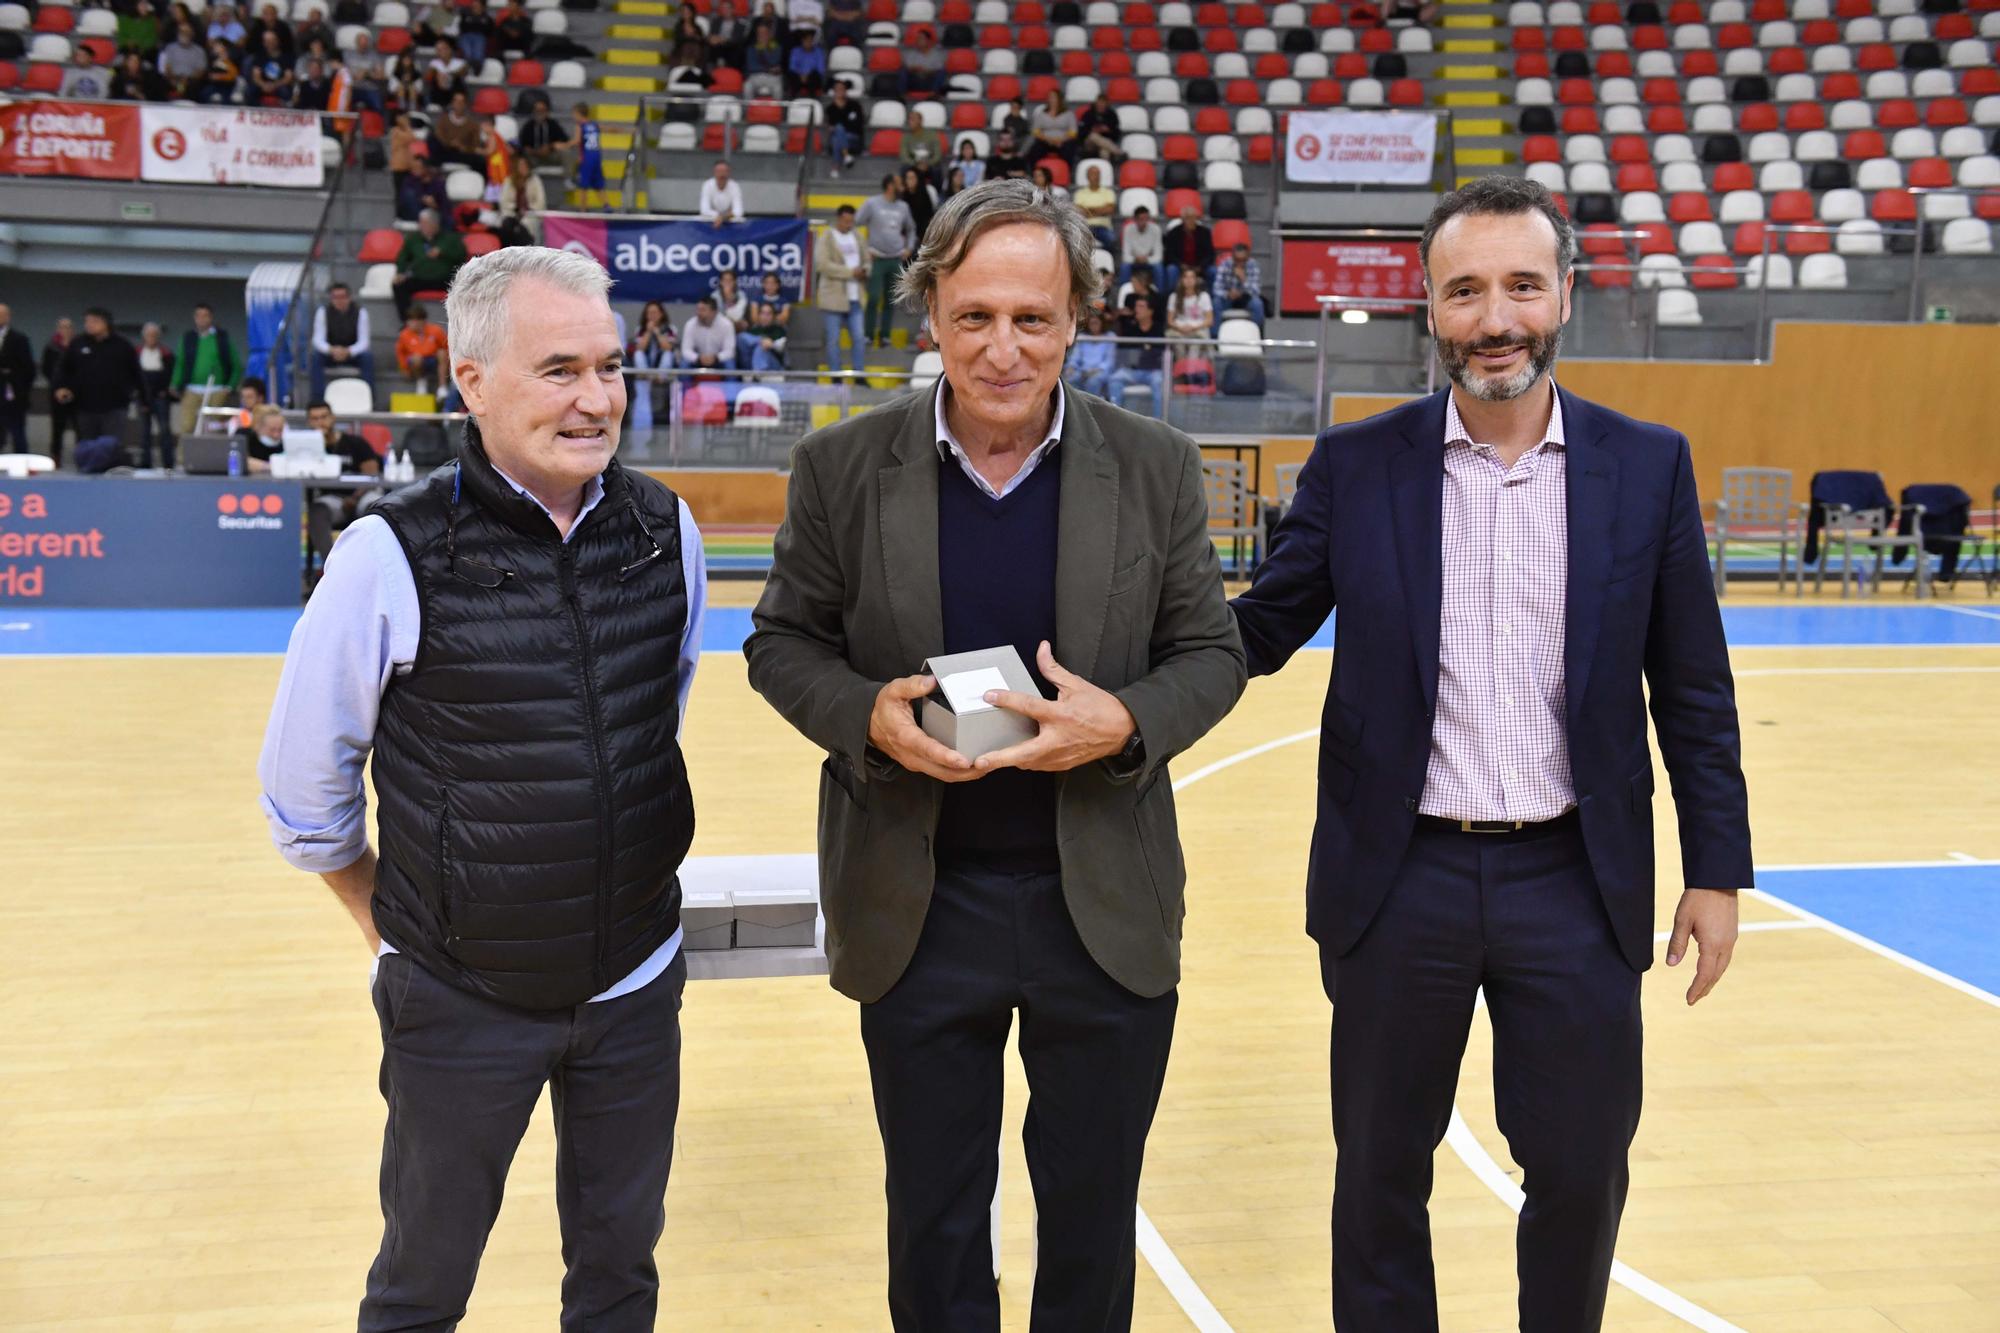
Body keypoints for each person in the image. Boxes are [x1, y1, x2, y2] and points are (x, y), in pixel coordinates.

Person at [1228, 175, 1751, 1331]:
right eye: (1465, 291)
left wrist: (1715, 871)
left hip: (1573, 877)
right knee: (1375, 1176)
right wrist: (1115, 672)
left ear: (1564, 294)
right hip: (1394, 876)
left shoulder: (1644, 465)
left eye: (1520, 285)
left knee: (1576, 1173)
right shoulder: (1356, 467)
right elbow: (1254, 634)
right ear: (1428, 306)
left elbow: (1694, 689)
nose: (1494, 317)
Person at [742, 176, 1245, 1332]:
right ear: (930, 316)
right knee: (931, 1224)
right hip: (918, 906)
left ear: (1075, 319)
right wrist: (866, 714)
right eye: (974, 317)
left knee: (1089, 1222)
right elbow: (780, 642)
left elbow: (1209, 653)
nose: (1003, 348)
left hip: (1100, 908)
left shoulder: (1157, 464)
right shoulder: (841, 467)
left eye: (1032, 318)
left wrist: (1125, 723)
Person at [257, 246, 706, 1330]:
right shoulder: (385, 552)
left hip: (633, 987)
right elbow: (302, 787)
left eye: (608, 367)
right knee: (421, 1286)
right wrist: (393, 922)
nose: (595, 399)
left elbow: (654, 727)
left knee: (619, 1279)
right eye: (559, 369)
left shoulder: (667, 531)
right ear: (471, 379)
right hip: (457, 1000)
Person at [57, 308, 143, 453]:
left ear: (106, 323)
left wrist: (142, 397)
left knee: (112, 446)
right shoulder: (78, 343)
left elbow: (136, 372)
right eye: (87, 321)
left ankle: (111, 471)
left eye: (94, 321)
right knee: (87, 446)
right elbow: (64, 369)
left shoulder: (122, 345)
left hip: (115, 406)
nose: (89, 325)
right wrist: (61, 387)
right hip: (85, 405)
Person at [856, 174, 914, 349]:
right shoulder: (872, 203)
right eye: (898, 184)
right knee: (873, 298)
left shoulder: (903, 207)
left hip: (895, 257)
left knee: (891, 299)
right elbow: (855, 223)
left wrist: (909, 248)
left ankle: (885, 336)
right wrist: (864, 249)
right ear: (890, 186)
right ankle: (868, 334)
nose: (902, 186)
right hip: (876, 258)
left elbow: (911, 228)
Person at [814, 204, 867, 375]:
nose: (848, 224)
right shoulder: (827, 237)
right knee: (833, 340)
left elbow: (867, 261)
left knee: (859, 338)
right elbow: (822, 265)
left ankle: (859, 373)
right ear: (838, 219)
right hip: (833, 297)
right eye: (845, 221)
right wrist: (850, 272)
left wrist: (865, 270)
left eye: (851, 221)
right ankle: (835, 374)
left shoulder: (858, 236)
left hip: (855, 296)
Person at [392, 210, 469, 320]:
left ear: (435, 224)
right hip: (420, 278)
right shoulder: (413, 239)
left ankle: (461, 322)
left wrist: (443, 253)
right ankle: (408, 322)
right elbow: (402, 257)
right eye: (421, 223)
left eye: (426, 223)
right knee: (398, 285)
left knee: (464, 287)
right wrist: (400, 272)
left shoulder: (451, 238)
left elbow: (461, 256)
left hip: (444, 278)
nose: (422, 226)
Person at [311, 283, 375, 403]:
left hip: (352, 354)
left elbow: (364, 341)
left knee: (367, 357)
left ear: (349, 297)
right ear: (331, 299)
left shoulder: (361, 312)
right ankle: (318, 400)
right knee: (315, 357)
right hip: (331, 353)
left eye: (343, 297)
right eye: (335, 297)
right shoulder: (322, 312)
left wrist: (348, 351)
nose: (339, 300)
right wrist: (331, 350)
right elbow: (318, 339)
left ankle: (370, 398)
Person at [1107, 294, 1165, 415]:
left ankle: (1159, 422)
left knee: (1159, 382)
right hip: (1133, 370)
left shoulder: (1158, 330)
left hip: (1152, 371)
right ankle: (1115, 418)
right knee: (1115, 378)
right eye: (1136, 306)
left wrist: (1144, 352)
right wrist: (1146, 349)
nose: (1137, 309)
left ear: (1150, 311)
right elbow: (1125, 352)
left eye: (1141, 306)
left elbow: (1159, 353)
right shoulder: (1130, 328)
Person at [626, 300, 676, 437]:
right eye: (649, 313)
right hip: (646, 368)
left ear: (661, 314)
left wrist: (657, 332)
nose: (652, 316)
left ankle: (661, 375)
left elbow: (668, 347)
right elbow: (640, 347)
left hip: (662, 367)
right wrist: (648, 332)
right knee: (638, 354)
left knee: (667, 354)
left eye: (655, 313)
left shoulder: (670, 329)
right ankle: (643, 374)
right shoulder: (640, 329)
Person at [135, 322, 178, 468]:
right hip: (143, 397)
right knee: (144, 431)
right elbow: (135, 376)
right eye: (148, 335)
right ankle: (146, 462)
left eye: (154, 335)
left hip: (161, 397)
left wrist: (165, 392)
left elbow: (171, 375)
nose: (151, 338)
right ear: (144, 337)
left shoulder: (166, 353)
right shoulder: (138, 353)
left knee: (164, 429)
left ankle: (168, 462)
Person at [40, 318, 75, 466]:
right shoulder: (51, 347)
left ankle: (82, 456)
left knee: (80, 426)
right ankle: (56, 456)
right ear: (57, 329)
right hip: (57, 393)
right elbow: (46, 369)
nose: (65, 330)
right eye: (62, 327)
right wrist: (58, 386)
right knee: (57, 427)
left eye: (68, 327)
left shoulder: (78, 346)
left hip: (76, 392)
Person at [0, 305, 33, 456]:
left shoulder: (19, 339)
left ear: (7, 317)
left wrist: (19, 388)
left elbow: (28, 368)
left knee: (17, 429)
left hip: (13, 393)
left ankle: (21, 460)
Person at [1210, 242, 1266, 331]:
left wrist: (1244, 280)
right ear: (1232, 257)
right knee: (1216, 302)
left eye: (1243, 260)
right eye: (1237, 260)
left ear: (1247, 257)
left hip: (1245, 297)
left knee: (1257, 304)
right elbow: (1216, 288)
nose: (1240, 263)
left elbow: (1256, 291)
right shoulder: (1225, 264)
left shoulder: (1253, 265)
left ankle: (1256, 335)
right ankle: (1215, 339)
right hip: (1228, 297)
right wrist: (1227, 294)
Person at [394, 304, 449, 394]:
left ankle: (442, 387)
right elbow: (400, 352)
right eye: (411, 320)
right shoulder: (404, 334)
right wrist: (404, 368)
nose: (413, 323)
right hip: (415, 363)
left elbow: (446, 346)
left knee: (442, 352)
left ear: (423, 321)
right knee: (416, 358)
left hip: (433, 360)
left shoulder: (436, 331)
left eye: (417, 320)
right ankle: (421, 381)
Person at [1063, 306, 1115, 397]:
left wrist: (1095, 370)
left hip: (1101, 371)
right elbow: (1076, 357)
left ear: (1102, 323)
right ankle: (1075, 407)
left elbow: (1109, 362)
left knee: (1093, 382)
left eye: (1096, 323)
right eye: (1091, 323)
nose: (1094, 326)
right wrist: (1071, 367)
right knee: (1071, 378)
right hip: (1083, 370)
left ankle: (1091, 408)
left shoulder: (1110, 336)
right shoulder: (1083, 337)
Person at [428, 89, 485, 173]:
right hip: (445, 152)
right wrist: (450, 143)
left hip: (463, 154)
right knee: (432, 142)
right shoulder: (443, 120)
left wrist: (463, 147)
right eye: (456, 101)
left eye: (461, 102)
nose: (459, 104)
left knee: (479, 161)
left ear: (465, 104)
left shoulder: (473, 125)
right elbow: (439, 136)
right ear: (452, 103)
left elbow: (475, 144)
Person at [1162, 205, 1213, 294]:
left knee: (1212, 271)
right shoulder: (1173, 233)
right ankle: (1171, 296)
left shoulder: (1205, 233)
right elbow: (1169, 254)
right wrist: (1180, 265)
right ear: (1182, 219)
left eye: (1194, 218)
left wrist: (1200, 266)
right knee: (1171, 269)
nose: (1192, 221)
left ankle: (1211, 299)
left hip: (1199, 266)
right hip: (1180, 266)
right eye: (1188, 218)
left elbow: (1210, 254)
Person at [498, 155, 548, 245]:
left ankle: (525, 251)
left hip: (530, 213)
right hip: (512, 212)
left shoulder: (535, 180)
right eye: (521, 166)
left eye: (525, 166)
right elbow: (504, 201)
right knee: (507, 225)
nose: (523, 168)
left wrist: (528, 209)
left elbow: (541, 201)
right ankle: (505, 251)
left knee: (525, 226)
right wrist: (515, 208)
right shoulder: (509, 181)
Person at [678, 297, 736, 373]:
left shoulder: (726, 325)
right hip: (697, 360)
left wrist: (716, 358)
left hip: (718, 360)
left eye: (703, 310)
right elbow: (686, 350)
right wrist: (698, 358)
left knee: (729, 365)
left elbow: (729, 351)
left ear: (714, 312)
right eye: (698, 309)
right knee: (684, 364)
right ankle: (685, 385)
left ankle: (731, 385)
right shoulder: (690, 324)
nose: (698, 313)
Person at [1071, 163, 1117, 250]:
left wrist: (1088, 211)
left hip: (1103, 227)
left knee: (1112, 240)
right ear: (1088, 177)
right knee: (1076, 243)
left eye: (1098, 174)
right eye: (1093, 174)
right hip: (1085, 227)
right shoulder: (1080, 193)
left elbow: (1109, 210)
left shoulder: (1108, 192)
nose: (1096, 176)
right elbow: (1079, 212)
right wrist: (1101, 210)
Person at [822, 81, 863, 175]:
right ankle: (846, 156)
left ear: (845, 91)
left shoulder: (855, 105)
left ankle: (835, 167)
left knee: (838, 130)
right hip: (838, 139)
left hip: (854, 138)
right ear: (834, 91)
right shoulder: (830, 108)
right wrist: (841, 128)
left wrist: (841, 129)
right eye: (837, 89)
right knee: (836, 137)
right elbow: (830, 127)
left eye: (842, 89)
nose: (840, 91)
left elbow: (858, 125)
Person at [515, 98, 570, 170]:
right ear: (533, 111)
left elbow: (565, 139)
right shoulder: (528, 126)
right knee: (523, 156)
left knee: (566, 152)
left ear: (547, 112)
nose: (540, 112)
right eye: (537, 110)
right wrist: (533, 151)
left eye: (543, 110)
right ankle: (529, 180)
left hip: (551, 154)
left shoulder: (553, 124)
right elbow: (522, 143)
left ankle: (568, 179)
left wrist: (551, 146)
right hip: (533, 156)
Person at [573, 103, 609, 207]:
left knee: (583, 185)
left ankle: (583, 209)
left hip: (586, 157)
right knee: (599, 184)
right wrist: (626, 130)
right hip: (596, 157)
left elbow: (577, 141)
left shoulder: (580, 126)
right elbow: (610, 129)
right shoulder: (594, 125)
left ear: (578, 114)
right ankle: (606, 205)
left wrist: (564, 145)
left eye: (574, 114)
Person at [1028, 89, 1077, 166]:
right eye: (1049, 97)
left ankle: (1066, 172)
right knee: (1035, 150)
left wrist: (1061, 140)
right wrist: (1048, 140)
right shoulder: (1041, 114)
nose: (1051, 99)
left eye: (1053, 97)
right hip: (1045, 141)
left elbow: (1073, 132)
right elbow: (1035, 131)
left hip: (1063, 142)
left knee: (1070, 148)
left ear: (1059, 99)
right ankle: (1035, 172)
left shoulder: (1068, 114)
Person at [239, 402, 291, 474]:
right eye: (272, 430)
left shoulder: (286, 443)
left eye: (280, 430)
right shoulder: (244, 436)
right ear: (257, 426)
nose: (276, 435)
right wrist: (269, 466)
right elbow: (239, 460)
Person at [396, 157, 451, 223]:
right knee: (408, 195)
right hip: (414, 213)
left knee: (449, 220)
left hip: (433, 212)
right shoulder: (409, 180)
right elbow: (403, 199)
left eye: (417, 167)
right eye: (413, 167)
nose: (414, 170)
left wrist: (435, 205)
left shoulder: (438, 183)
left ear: (426, 168)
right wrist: (422, 199)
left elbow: (444, 204)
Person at [159, 22, 208, 96]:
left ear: (192, 34)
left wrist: (186, 80)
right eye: (182, 31)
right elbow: (166, 67)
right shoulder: (169, 48)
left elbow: (200, 71)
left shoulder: (199, 51)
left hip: (191, 81)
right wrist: (174, 81)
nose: (185, 34)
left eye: (187, 32)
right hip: (173, 79)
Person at [739, 301, 788, 376]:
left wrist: (772, 345)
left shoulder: (779, 330)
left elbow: (781, 348)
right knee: (741, 337)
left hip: (774, 367)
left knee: (760, 348)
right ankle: (753, 373)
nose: (765, 317)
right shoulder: (753, 330)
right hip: (750, 365)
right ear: (758, 315)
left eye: (768, 314)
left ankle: (757, 376)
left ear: (774, 316)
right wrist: (762, 340)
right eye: (762, 313)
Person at [1119, 204, 1161, 290]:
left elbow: (1158, 256)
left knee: (1159, 268)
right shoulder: (1128, 229)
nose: (1144, 222)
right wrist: (1136, 259)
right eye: (1141, 219)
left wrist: (1147, 259)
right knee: (1124, 267)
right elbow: (1125, 256)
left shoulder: (1156, 229)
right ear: (1135, 219)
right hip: (1134, 261)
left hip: (1149, 262)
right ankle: (1123, 295)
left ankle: (1160, 297)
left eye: (1146, 219)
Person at [1164, 267, 1212, 343]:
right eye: (1186, 277)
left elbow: (1209, 320)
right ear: (1181, 280)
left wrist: (1193, 328)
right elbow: (1170, 320)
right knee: (1177, 341)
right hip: (1179, 329)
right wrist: (1180, 328)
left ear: (1196, 280)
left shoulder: (1204, 296)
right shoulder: (1173, 297)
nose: (1189, 280)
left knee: (1196, 341)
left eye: (1192, 277)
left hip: (1198, 329)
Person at [742, 17, 785, 99]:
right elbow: (752, 66)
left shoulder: (776, 47)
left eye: (764, 33)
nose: (762, 35)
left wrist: (764, 48)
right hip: (755, 76)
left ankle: (778, 111)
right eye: (759, 33)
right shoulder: (752, 48)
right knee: (747, 86)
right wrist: (769, 69)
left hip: (772, 77)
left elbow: (774, 61)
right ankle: (747, 111)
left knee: (778, 88)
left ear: (769, 34)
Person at [1076, 93, 1124, 163]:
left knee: (1104, 152)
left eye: (1103, 102)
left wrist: (1108, 130)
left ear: (1107, 104)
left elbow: (1116, 132)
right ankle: (1119, 152)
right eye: (1099, 102)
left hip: (1105, 142)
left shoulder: (1112, 115)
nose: (1101, 104)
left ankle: (1106, 170)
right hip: (1089, 143)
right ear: (1096, 103)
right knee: (1093, 136)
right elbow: (1081, 131)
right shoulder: (1088, 114)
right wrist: (1091, 130)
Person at [898, 165, 938, 247]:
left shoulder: (925, 194)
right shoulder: (902, 196)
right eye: (908, 178)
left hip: (922, 234)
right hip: (905, 235)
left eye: (913, 178)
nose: (910, 180)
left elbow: (929, 216)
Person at [697, 160, 745, 227]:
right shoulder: (707, 185)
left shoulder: (735, 186)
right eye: (719, 171)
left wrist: (722, 218)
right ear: (714, 173)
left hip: (730, 223)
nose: (722, 174)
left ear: (729, 173)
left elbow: (738, 211)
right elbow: (704, 210)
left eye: (724, 171)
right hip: (710, 222)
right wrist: (719, 216)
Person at [900, 24, 943, 96]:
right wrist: (916, 68)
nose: (918, 41)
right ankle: (902, 95)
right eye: (917, 39)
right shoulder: (912, 53)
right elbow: (908, 66)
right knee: (903, 71)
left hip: (929, 80)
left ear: (928, 41)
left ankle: (934, 93)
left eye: (921, 38)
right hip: (915, 79)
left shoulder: (936, 54)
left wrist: (927, 71)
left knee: (942, 73)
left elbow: (939, 68)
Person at [423, 36, 467, 107]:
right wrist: (437, 73)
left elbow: (463, 72)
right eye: (439, 50)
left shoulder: (459, 62)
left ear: (449, 49)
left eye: (443, 49)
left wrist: (449, 75)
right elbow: (426, 77)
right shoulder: (434, 63)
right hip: (439, 91)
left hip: (454, 90)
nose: (442, 52)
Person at [787, 25, 825, 94]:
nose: (808, 42)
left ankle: (812, 99)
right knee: (792, 75)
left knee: (815, 76)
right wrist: (801, 76)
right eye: (806, 40)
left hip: (812, 78)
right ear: (802, 41)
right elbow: (792, 67)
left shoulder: (818, 52)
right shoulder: (795, 51)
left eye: (810, 40)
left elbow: (820, 69)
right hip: (798, 77)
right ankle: (793, 100)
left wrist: (807, 76)